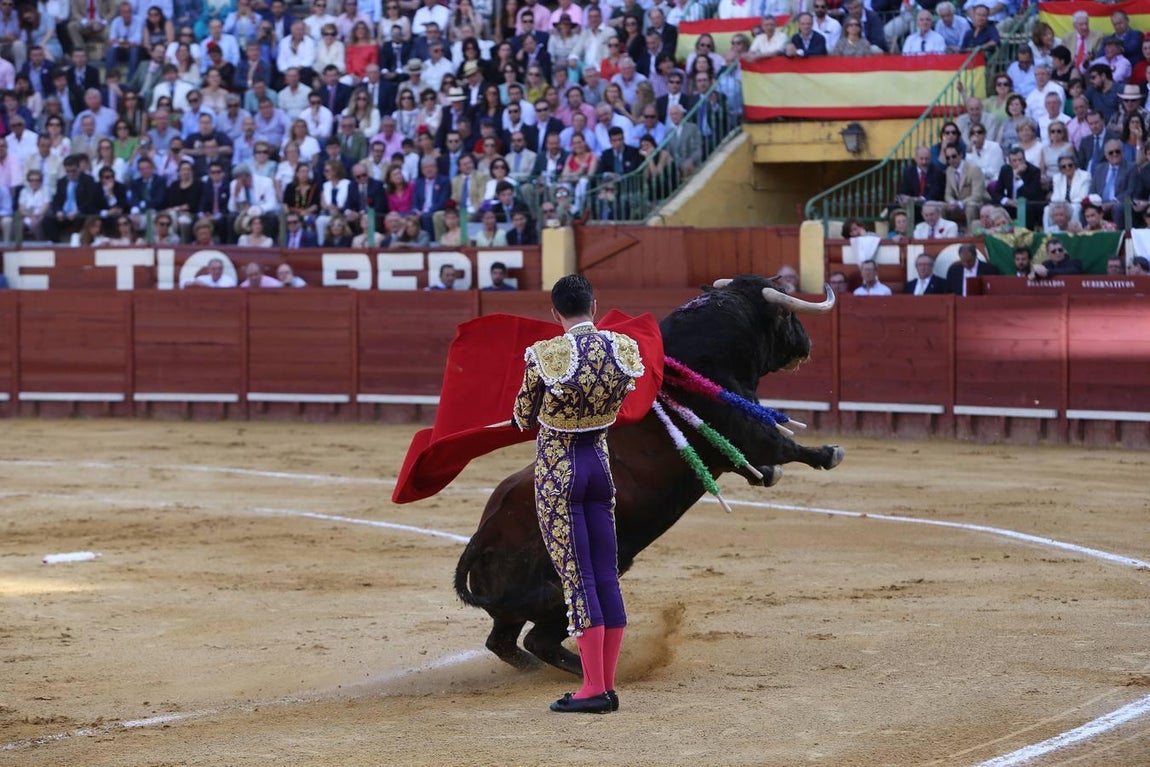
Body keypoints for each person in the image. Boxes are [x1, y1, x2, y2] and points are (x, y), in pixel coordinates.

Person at [513, 273, 643, 716]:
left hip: (559, 472)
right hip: (600, 467)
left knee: (578, 576)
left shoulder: (547, 354)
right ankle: (604, 685)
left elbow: (522, 415)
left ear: (555, 312)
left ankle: (593, 688)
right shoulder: (622, 348)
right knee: (605, 572)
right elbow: (624, 402)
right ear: (594, 303)